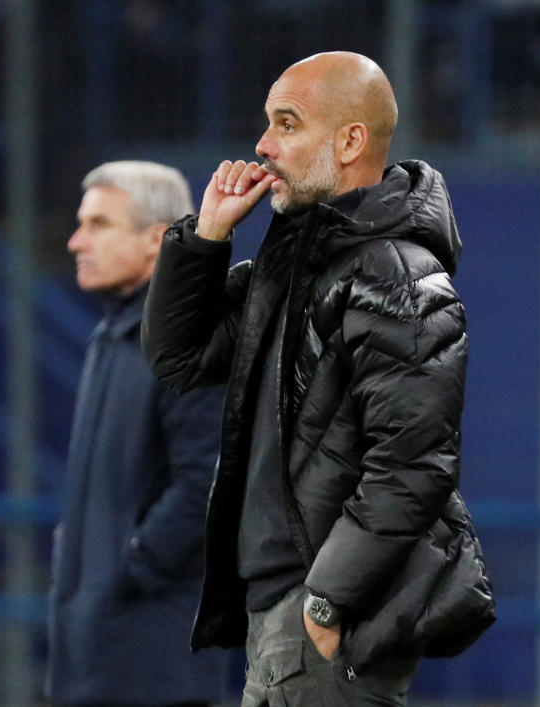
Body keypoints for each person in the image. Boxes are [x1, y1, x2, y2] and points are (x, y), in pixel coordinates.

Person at [141, 52, 495, 706]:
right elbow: (178, 357)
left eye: (286, 123)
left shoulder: (397, 275)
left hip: (320, 620)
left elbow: (413, 464)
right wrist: (207, 237)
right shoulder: (294, 264)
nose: (262, 144)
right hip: (279, 615)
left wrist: (328, 601)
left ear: (350, 140)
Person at [46, 161, 233, 707]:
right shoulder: (114, 336)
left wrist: (133, 566)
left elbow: (207, 481)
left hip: (157, 667)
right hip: (99, 662)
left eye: (99, 225)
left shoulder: (190, 337)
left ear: (157, 239)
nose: (77, 241)